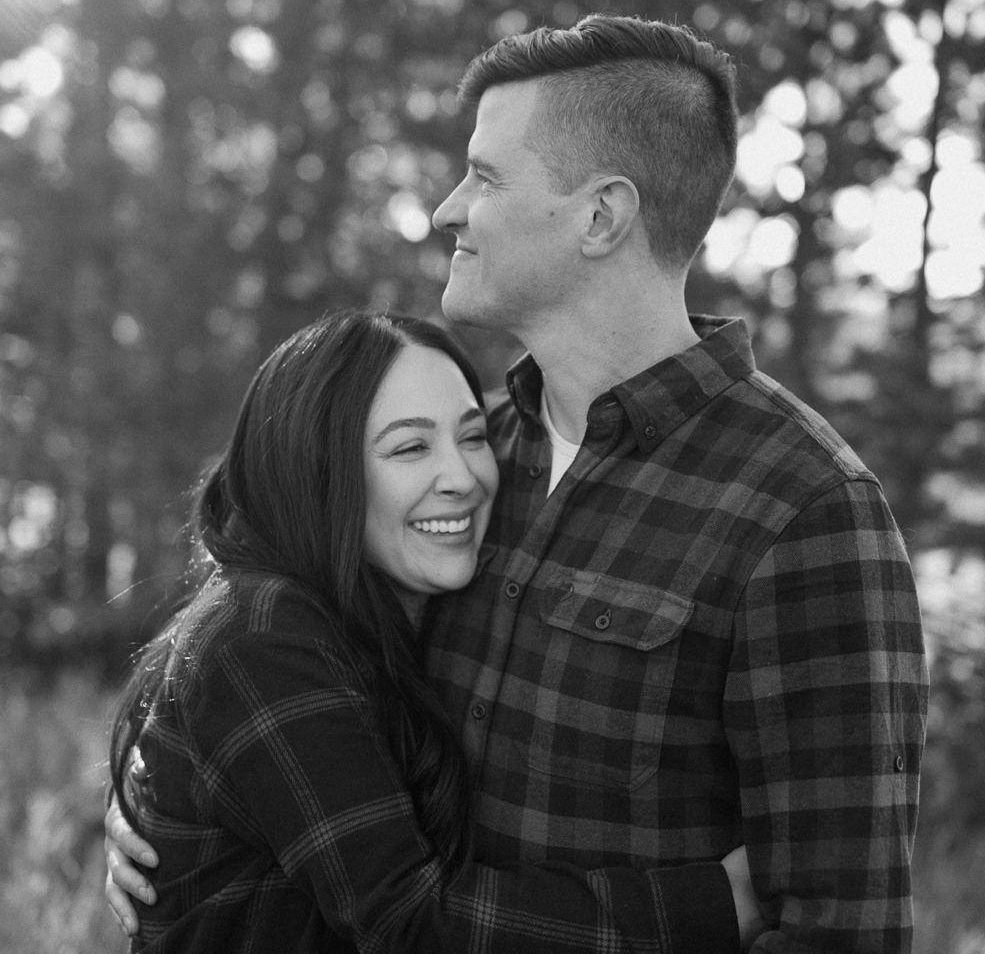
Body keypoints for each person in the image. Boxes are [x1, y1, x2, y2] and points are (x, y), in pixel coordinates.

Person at [111, 14, 929, 952]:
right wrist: (168, 797)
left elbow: (841, 930)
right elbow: (277, 655)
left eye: (487, 177)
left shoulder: (804, 510)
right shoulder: (469, 461)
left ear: (601, 217)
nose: (445, 209)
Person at [106, 310, 763, 953]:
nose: (464, 479)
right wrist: (721, 904)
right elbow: (411, 919)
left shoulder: (360, 610)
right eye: (411, 447)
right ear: (316, 470)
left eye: (473, 437)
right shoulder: (263, 637)